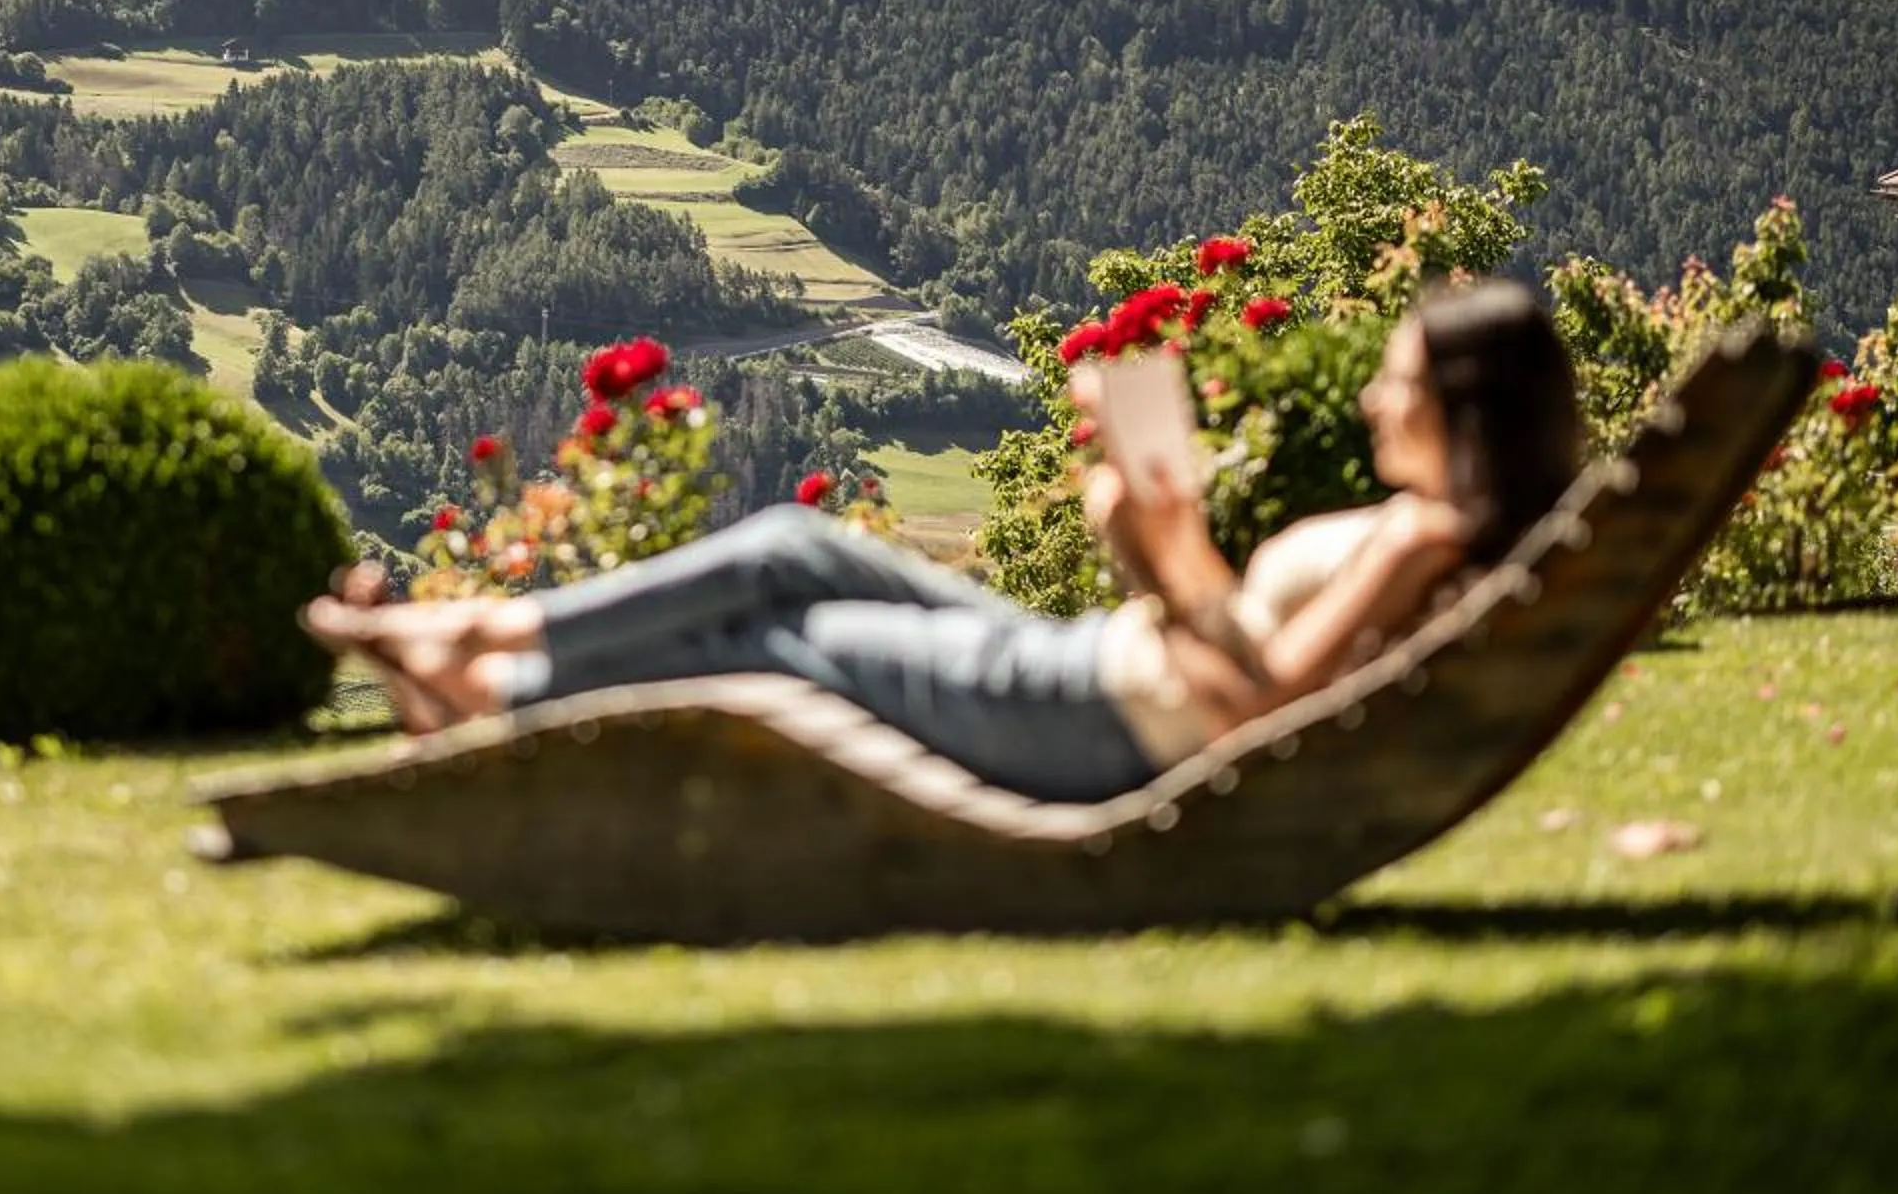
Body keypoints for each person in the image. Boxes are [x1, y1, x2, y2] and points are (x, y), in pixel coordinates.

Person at [303, 280, 1585, 804]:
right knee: (794, 548)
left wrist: (1172, 540)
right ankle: (473, 633)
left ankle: (487, 684)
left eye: (1400, 380)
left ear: (1459, 410)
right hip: (1102, 675)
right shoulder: (1435, 531)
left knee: (787, 642)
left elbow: (1269, 704)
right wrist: (1150, 531)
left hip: (1099, 715)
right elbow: (1250, 655)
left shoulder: (1424, 532)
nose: (1374, 396)